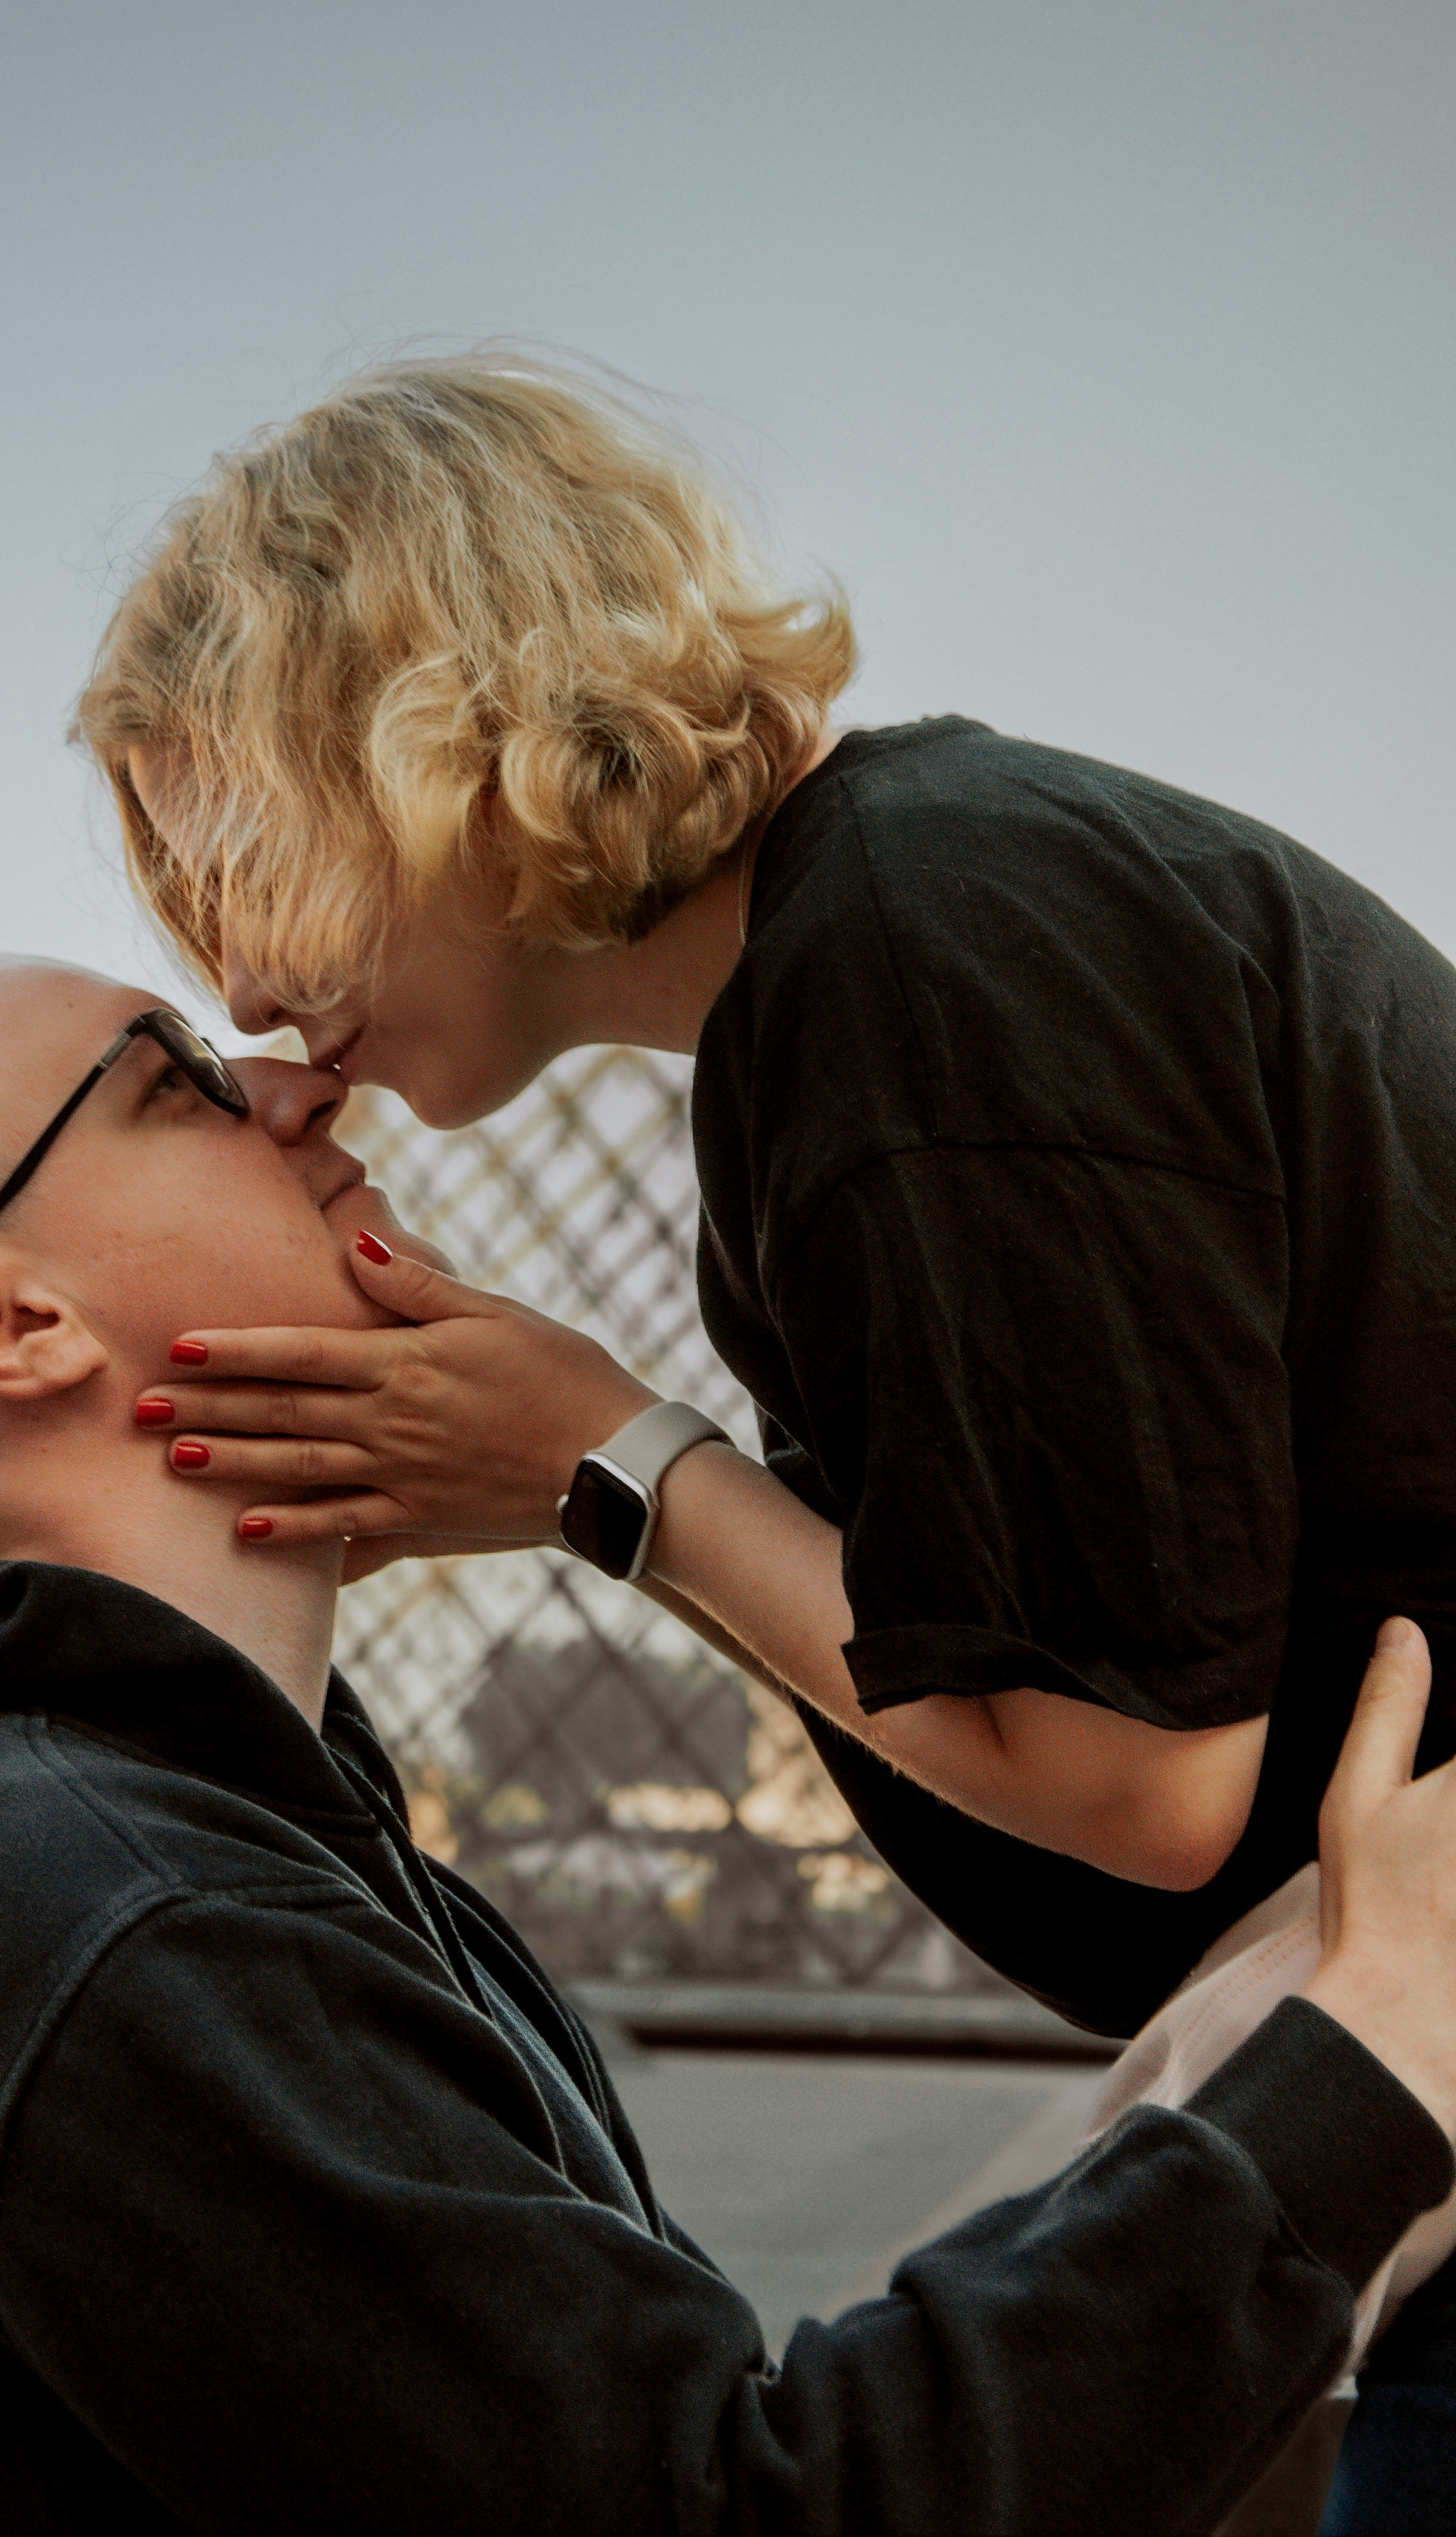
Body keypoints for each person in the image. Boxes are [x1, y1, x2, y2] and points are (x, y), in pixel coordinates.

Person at [76, 353, 1456, 2527]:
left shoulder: (925, 952)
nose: (242, 994)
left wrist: (604, 1471)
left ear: (434, 735)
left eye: (234, 853)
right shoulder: (898, 926)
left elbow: (1138, 1776)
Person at [0, 952, 1456, 2536]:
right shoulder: (102, 1907)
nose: (301, 1077)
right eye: (179, 1077)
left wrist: (1264, 2061)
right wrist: (1359, 2057)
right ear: (5, 1319)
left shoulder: (169, 1841)